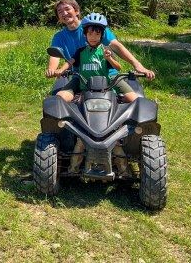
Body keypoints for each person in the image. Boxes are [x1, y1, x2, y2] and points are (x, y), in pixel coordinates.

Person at [56, 12, 137, 177]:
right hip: (84, 86)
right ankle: (64, 135)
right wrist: (59, 71)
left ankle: (134, 136)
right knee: (59, 99)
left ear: (102, 35)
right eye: (90, 33)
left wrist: (110, 58)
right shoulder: (80, 52)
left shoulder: (105, 51)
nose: (93, 37)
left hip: (106, 89)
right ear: (85, 34)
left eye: (97, 33)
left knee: (136, 101)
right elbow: (69, 63)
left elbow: (118, 67)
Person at [45, 0, 155, 81]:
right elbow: (55, 55)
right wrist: (52, 70)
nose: (64, 13)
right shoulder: (59, 37)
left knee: (131, 100)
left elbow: (116, 45)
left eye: (67, 9)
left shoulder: (94, 26)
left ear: (77, 11)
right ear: (58, 18)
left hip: (106, 74)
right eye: (60, 11)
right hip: (78, 76)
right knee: (58, 101)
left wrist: (137, 65)